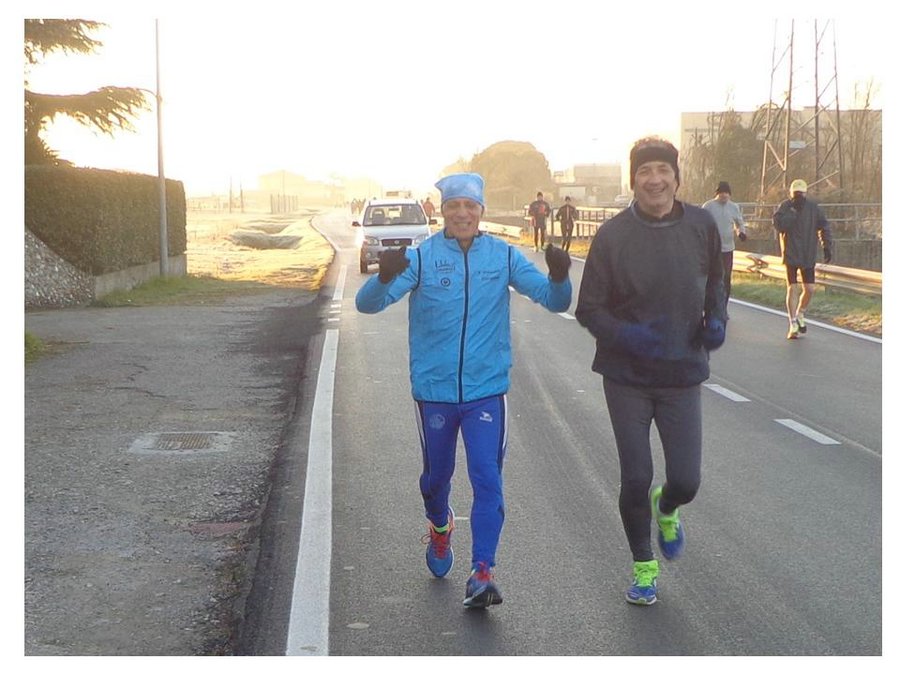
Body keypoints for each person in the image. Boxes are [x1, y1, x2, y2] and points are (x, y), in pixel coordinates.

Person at [356, 172, 572, 608]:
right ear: (442, 212)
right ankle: (440, 527)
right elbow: (367, 305)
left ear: (481, 211)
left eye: (469, 206)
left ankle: (482, 571)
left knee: (487, 478)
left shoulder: (503, 256)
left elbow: (555, 301)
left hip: (485, 391)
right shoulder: (422, 258)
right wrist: (383, 278)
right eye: (453, 206)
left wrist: (560, 276)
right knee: (436, 480)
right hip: (434, 391)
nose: (461, 213)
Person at [574, 136, 727, 606]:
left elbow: (717, 282)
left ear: (677, 178)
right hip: (628, 377)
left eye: (663, 170)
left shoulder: (701, 225)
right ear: (634, 179)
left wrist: (717, 319)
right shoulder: (613, 236)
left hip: (682, 374)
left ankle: (668, 506)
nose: (654, 179)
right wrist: (628, 336)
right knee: (636, 476)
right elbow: (589, 308)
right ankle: (644, 568)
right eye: (645, 171)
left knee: (686, 481)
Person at [773, 179, 833, 339]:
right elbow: (779, 225)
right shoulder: (785, 207)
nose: (798, 197)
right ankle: (792, 322)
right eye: (796, 194)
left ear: (805, 194)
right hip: (791, 254)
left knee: (810, 289)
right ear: (791, 194)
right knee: (792, 288)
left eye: (801, 194)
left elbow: (824, 226)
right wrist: (792, 213)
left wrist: (827, 245)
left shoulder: (813, 208)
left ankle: (800, 313)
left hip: (807, 254)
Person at [702, 181, 747, 308]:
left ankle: (723, 306)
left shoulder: (734, 207)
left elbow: (739, 223)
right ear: (717, 194)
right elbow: (701, 224)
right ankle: (709, 303)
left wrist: (741, 233)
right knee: (712, 276)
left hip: (728, 249)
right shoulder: (708, 206)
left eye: (727, 194)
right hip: (712, 249)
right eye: (722, 193)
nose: (724, 196)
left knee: (726, 277)